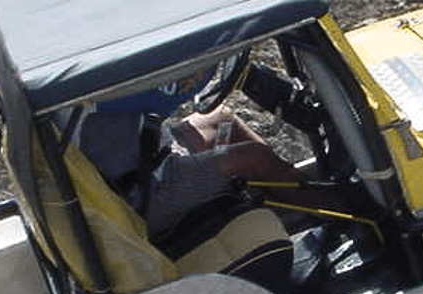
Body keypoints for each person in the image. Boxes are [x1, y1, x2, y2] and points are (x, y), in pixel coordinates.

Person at [75, 65, 307, 242]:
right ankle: (322, 211)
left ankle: (283, 200)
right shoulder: (83, 87)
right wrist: (212, 58)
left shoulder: (86, 73)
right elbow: (170, 91)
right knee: (254, 157)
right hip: (144, 193)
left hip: (147, 153)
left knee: (221, 119)